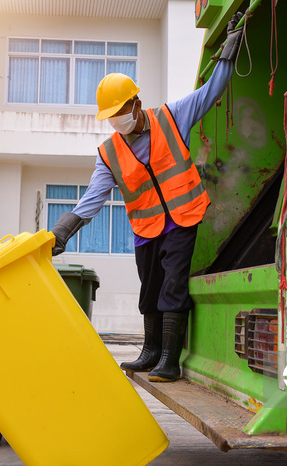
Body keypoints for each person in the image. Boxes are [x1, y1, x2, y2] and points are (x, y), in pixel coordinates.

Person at [50, 13, 243, 383]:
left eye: (121, 110)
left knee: (173, 283)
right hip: (146, 229)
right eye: (111, 115)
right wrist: (63, 231)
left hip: (183, 217)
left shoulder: (172, 116)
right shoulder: (108, 153)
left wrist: (227, 56)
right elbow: (94, 196)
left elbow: (210, 93)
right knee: (150, 288)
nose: (117, 119)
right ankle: (151, 350)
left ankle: (170, 358)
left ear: (136, 103)